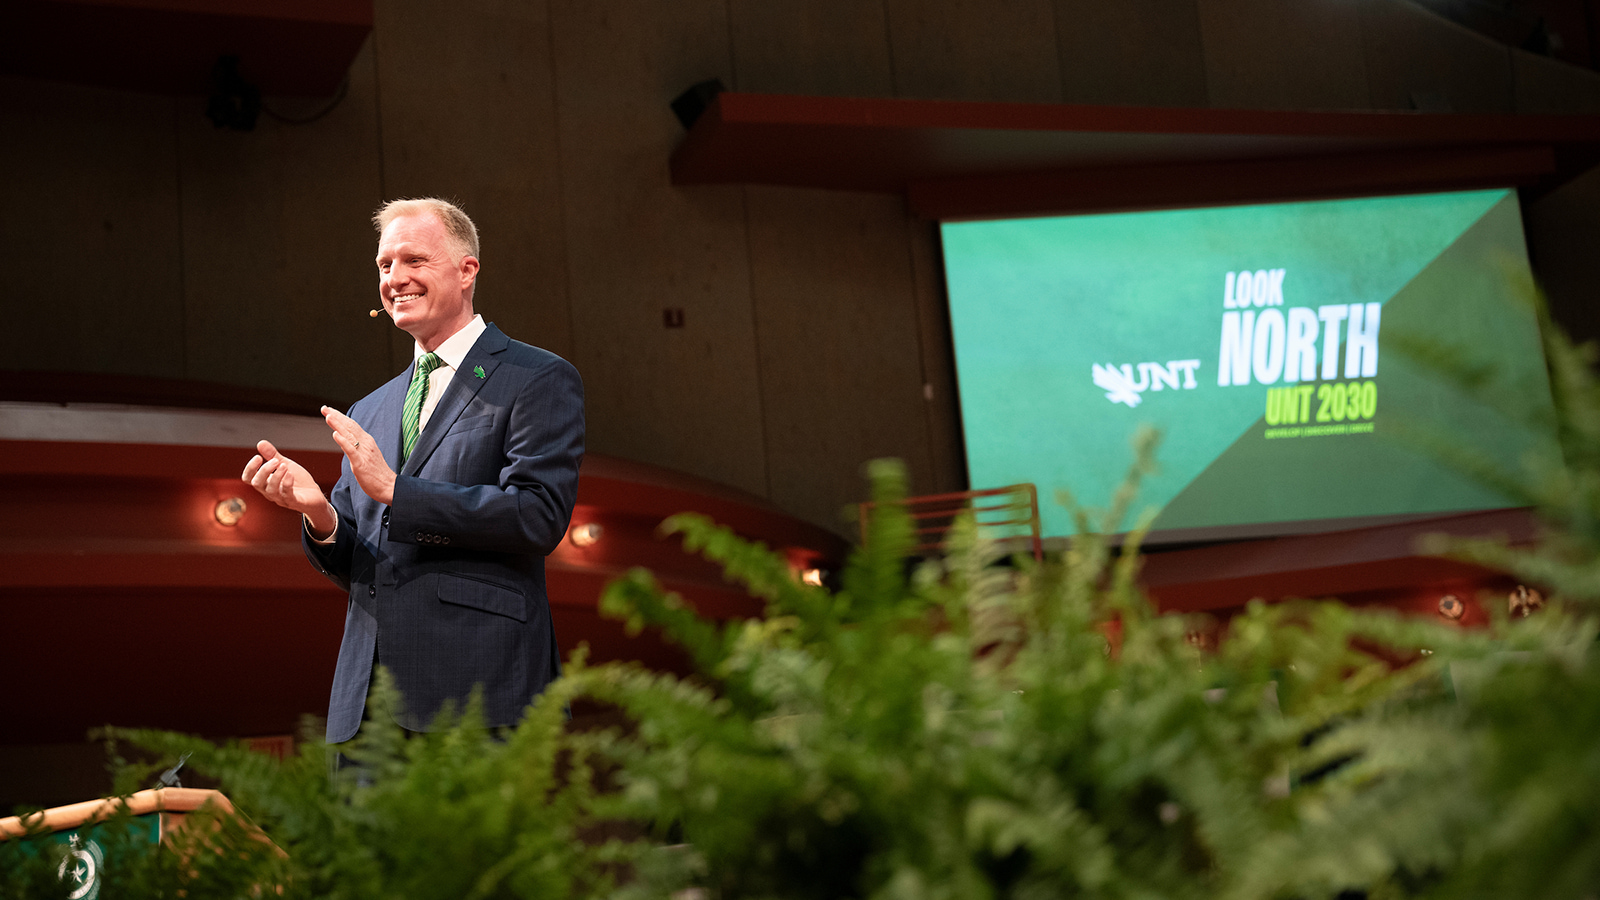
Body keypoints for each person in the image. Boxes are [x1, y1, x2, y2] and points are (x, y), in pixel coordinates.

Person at [241, 197, 584, 743]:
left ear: (467, 269)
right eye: (384, 265)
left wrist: (401, 492)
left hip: (480, 693)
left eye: (413, 260)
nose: (394, 278)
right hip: (368, 707)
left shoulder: (534, 377)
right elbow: (362, 560)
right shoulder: (369, 409)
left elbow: (538, 516)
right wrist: (320, 516)